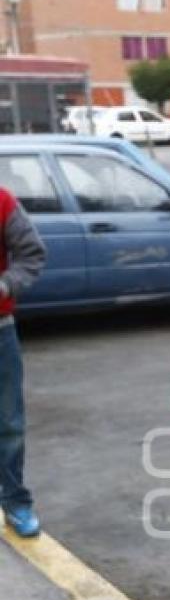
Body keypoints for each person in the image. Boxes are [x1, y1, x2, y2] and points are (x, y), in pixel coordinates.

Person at [0, 187, 45, 538]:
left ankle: (15, 500)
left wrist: (4, 286)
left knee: (9, 424)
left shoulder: (2, 202)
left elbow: (31, 254)